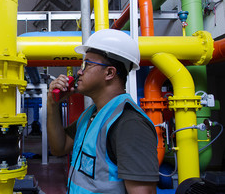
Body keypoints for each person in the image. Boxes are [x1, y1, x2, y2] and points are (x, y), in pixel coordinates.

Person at [47, 29, 159, 194]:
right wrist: (52, 103)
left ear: (109, 73)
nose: (79, 72)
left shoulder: (129, 124)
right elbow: (59, 148)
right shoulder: (91, 114)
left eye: (87, 65)